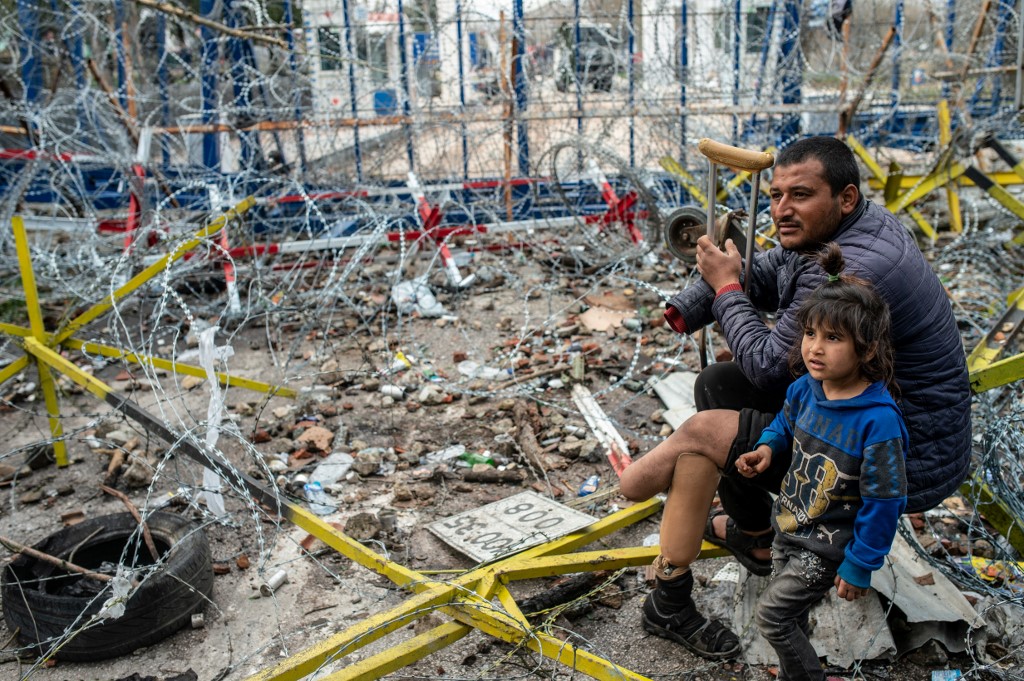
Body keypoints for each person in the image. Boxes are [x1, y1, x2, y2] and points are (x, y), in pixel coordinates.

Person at [618, 136, 971, 660]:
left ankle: (670, 598)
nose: (782, 209)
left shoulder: (853, 269)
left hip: (893, 449)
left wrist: (724, 291)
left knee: (699, 440)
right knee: (716, 384)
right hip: (859, 411)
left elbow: (766, 366)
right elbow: (766, 273)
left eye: (800, 195)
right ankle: (756, 535)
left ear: (845, 198)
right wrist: (692, 304)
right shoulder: (841, 231)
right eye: (777, 194)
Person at [737, 242, 908, 681]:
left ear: (866, 350)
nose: (815, 348)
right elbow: (785, 421)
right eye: (810, 333)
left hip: (829, 546)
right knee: (789, 615)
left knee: (772, 616)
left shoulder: (877, 422)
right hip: (790, 527)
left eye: (833, 338)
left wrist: (860, 563)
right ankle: (800, 667)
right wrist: (768, 448)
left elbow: (885, 501)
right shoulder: (807, 389)